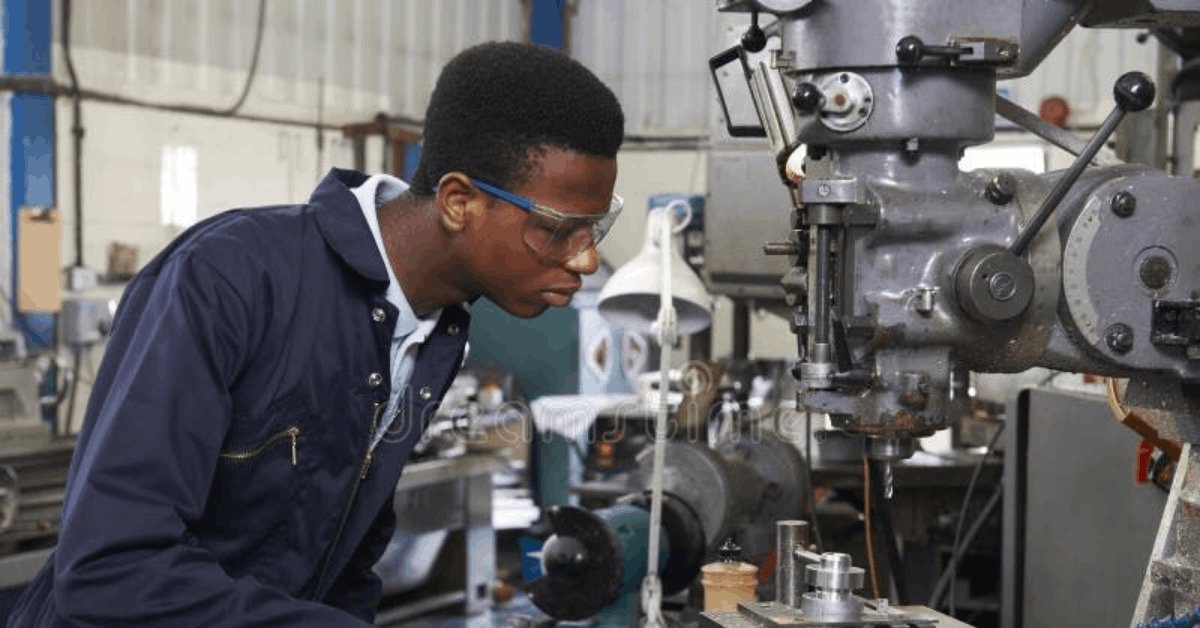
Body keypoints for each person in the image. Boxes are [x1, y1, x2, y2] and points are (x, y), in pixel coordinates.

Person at [8, 41, 624, 627]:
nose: (586, 260)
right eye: (556, 229)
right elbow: (111, 568)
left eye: (593, 229)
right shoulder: (230, 279)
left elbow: (348, 557)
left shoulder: (437, 332)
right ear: (459, 201)